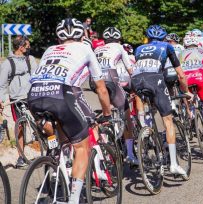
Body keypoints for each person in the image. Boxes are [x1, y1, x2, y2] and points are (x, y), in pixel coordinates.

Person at [27, 18, 111, 204]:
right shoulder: (85, 48)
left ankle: (55, 151)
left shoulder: (49, 50)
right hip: (61, 94)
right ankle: (73, 200)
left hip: (33, 95)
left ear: (58, 38)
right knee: (82, 147)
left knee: (62, 135)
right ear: (83, 35)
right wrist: (107, 114)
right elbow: (101, 89)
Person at [131, 25, 193, 175]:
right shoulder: (167, 46)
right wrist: (186, 92)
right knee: (168, 120)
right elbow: (181, 75)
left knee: (149, 106)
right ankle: (173, 164)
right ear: (164, 38)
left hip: (136, 80)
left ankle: (146, 129)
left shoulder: (139, 48)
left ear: (148, 38)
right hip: (155, 80)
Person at [94, 27, 139, 165]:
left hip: (95, 81)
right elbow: (130, 70)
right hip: (111, 78)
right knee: (126, 114)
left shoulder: (97, 49)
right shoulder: (120, 48)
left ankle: (105, 139)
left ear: (105, 40)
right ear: (119, 39)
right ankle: (131, 155)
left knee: (106, 110)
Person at [0, 35, 38, 167]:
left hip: (31, 96)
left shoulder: (30, 59)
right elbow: (2, 85)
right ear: (20, 47)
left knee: (41, 119)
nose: (29, 48)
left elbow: (36, 76)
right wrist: (1, 99)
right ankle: (21, 157)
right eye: (27, 46)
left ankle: (38, 135)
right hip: (16, 99)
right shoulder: (7, 64)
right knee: (20, 127)